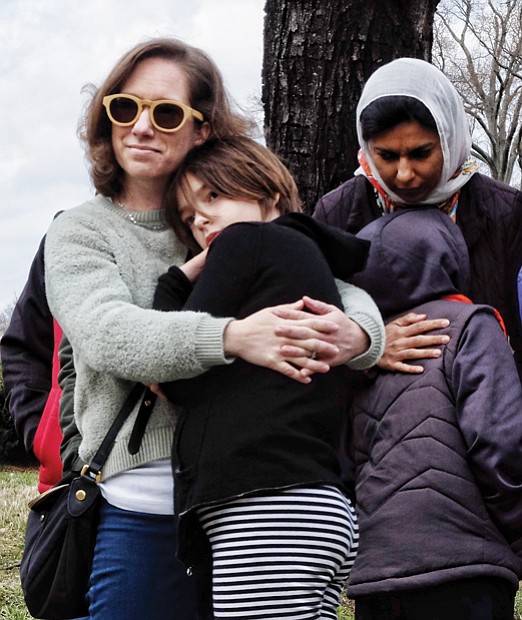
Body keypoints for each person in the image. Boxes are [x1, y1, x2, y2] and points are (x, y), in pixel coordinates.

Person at [43, 37, 384, 620]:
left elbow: (335, 287)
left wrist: (360, 337)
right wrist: (230, 337)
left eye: (166, 112)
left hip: (258, 496)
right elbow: (108, 333)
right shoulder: (81, 232)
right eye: (125, 108)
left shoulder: (224, 219)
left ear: (201, 129)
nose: (142, 127)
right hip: (146, 507)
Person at [153, 136, 383, 619]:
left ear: (268, 193)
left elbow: (172, 368)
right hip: (317, 506)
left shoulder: (245, 242)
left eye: (213, 196)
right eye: (189, 215)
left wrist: (174, 283)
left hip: (264, 507)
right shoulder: (304, 255)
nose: (202, 220)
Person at [345, 207, 522, 620]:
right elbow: (501, 444)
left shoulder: (366, 354)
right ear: (449, 256)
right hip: (463, 566)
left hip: (378, 575)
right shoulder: (468, 325)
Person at [314, 57, 522, 376]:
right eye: (386, 156)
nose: (404, 174)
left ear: (450, 140)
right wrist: (370, 346)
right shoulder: (338, 212)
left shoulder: (505, 212)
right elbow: (317, 321)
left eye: (420, 153)